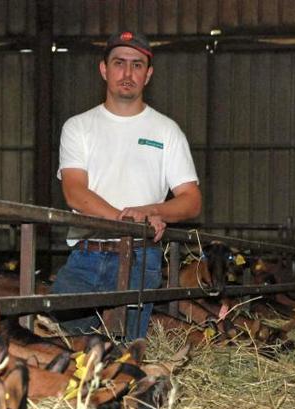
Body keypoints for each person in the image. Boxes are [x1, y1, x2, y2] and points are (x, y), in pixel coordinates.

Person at [51, 30, 202, 340]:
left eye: (137, 65)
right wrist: (126, 218)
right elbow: (75, 190)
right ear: (104, 69)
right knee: (60, 340)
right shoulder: (78, 127)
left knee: (127, 351)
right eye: (119, 63)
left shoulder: (166, 131)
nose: (127, 73)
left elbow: (191, 199)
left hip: (139, 257)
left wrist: (149, 211)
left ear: (148, 75)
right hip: (87, 254)